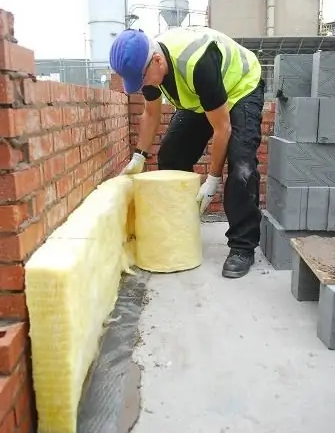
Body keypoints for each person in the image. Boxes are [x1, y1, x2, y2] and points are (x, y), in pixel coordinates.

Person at [109, 26, 264, 279]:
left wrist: (211, 181)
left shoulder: (197, 63)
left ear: (157, 61)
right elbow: (150, 112)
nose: (144, 86)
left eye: (144, 79)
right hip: (201, 97)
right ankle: (180, 229)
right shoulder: (148, 64)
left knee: (241, 166)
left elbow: (222, 129)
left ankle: (242, 247)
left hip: (240, 88)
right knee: (171, 156)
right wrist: (139, 156)